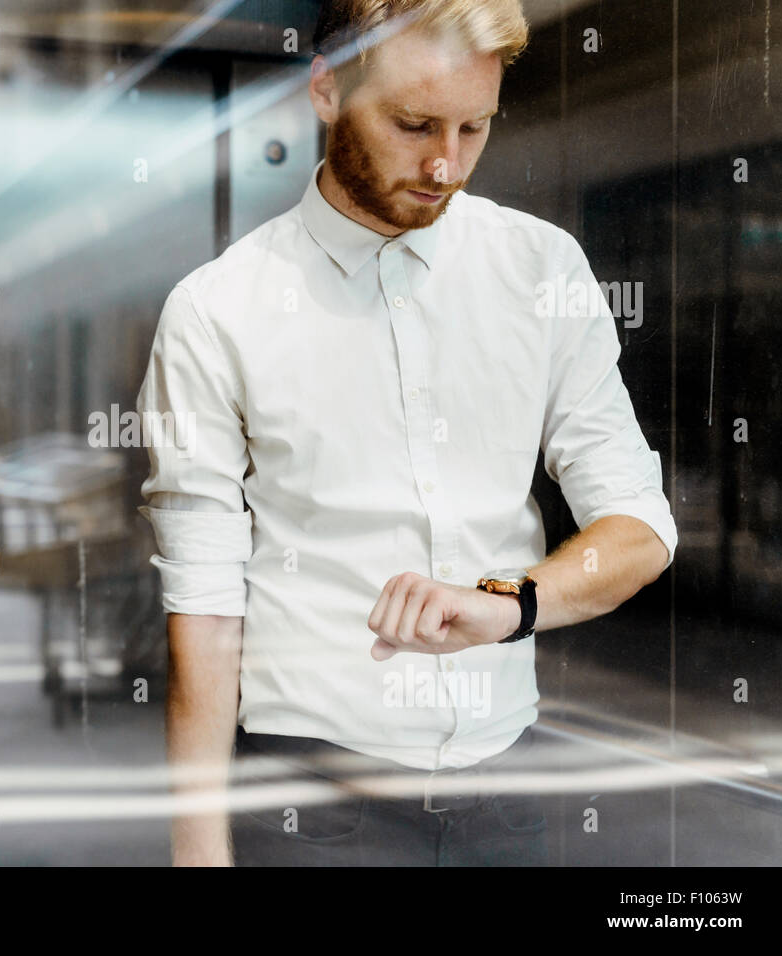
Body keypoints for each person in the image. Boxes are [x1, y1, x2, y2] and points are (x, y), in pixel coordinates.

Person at [136, 0, 678, 866]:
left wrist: (509, 604)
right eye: (413, 123)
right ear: (326, 89)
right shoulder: (217, 311)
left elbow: (641, 529)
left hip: (507, 797)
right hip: (314, 812)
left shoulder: (542, 270)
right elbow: (203, 609)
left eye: (475, 127)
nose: (445, 163)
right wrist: (197, 852)